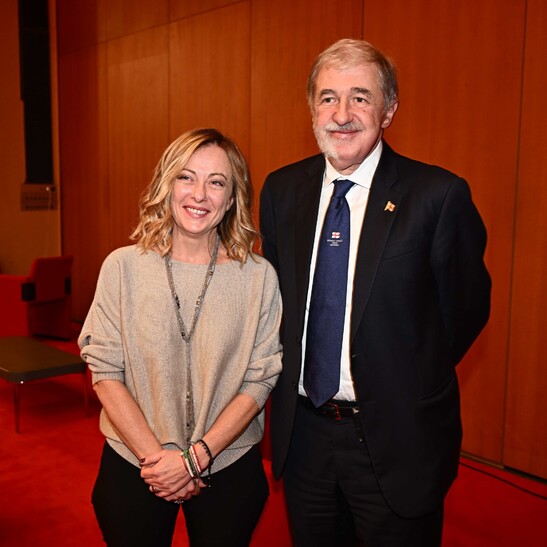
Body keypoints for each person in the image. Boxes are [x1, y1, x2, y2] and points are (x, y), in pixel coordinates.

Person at [260, 38, 491, 546]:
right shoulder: (281, 191)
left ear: (389, 111)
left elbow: (465, 312)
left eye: (360, 97)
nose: (342, 114)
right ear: (311, 109)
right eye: (328, 98)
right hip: (305, 438)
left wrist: (400, 372)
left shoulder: (437, 195)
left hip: (398, 437)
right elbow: (278, 305)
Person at [79, 128, 282, 547]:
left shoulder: (258, 278)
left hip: (228, 463)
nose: (199, 194)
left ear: (232, 199)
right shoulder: (122, 268)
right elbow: (105, 370)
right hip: (134, 462)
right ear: (167, 185)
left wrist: (193, 459)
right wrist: (159, 462)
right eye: (186, 177)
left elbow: (259, 380)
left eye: (217, 182)